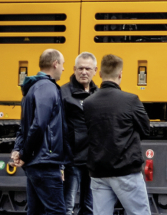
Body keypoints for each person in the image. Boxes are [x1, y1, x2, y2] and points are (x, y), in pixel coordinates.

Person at [84, 54, 152, 215]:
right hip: (126, 171)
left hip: (98, 172)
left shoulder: (88, 103)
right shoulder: (131, 100)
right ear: (121, 74)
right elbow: (146, 130)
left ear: (99, 74)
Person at [12, 49, 67, 215]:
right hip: (45, 162)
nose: (63, 69)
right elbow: (38, 124)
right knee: (57, 211)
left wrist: (18, 150)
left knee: (36, 211)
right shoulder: (47, 88)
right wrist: (24, 154)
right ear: (55, 63)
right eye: (62, 64)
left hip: (37, 163)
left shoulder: (32, 88)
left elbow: (24, 127)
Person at [61, 52, 97, 215]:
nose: (84, 72)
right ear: (74, 69)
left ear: (95, 70)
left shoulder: (99, 94)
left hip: (92, 160)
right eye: (80, 68)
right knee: (67, 207)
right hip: (72, 160)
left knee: (89, 207)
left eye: (88, 68)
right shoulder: (63, 93)